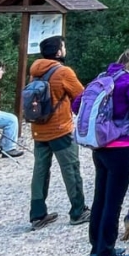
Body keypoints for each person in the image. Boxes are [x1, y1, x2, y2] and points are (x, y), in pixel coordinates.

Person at [76, 48, 129, 256]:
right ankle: (105, 254)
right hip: (121, 146)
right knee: (113, 202)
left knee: (100, 198)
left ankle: (96, 249)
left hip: (99, 146)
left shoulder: (102, 78)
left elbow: (76, 104)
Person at [29, 35, 88, 230]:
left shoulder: (35, 71)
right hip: (60, 129)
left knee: (40, 170)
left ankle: (37, 214)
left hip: (38, 129)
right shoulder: (63, 72)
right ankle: (78, 211)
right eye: (63, 46)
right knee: (70, 169)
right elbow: (81, 95)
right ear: (58, 52)